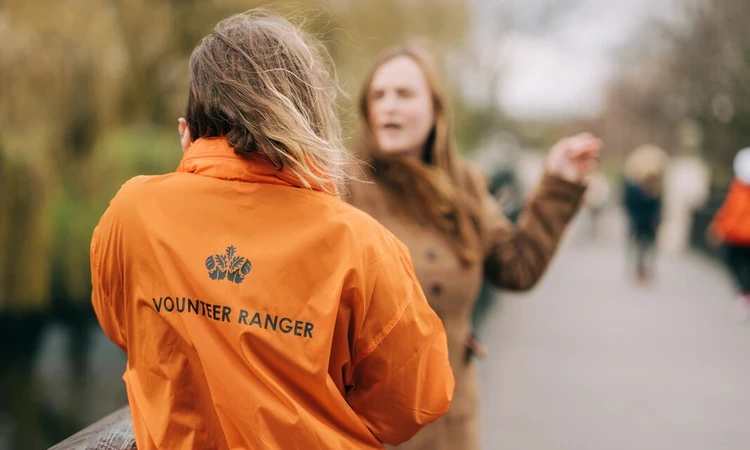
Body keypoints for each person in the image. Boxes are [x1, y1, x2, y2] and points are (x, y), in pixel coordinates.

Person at [91, 12, 454, 450]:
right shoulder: (363, 244)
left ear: (186, 130)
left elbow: (127, 328)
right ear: (309, 116)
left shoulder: (132, 213)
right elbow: (412, 400)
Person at [345, 45, 602, 450]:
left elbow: (517, 267)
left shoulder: (464, 185)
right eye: (378, 96)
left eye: (404, 94)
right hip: (370, 427)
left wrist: (559, 182)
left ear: (435, 110)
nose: (389, 106)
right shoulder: (344, 187)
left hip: (453, 422)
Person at [708, 148, 750, 320]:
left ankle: (744, 293)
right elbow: (730, 210)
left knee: (736, 264)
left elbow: (733, 212)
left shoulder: (740, 189)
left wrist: (720, 229)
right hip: (737, 236)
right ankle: (744, 293)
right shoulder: (738, 188)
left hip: (739, 236)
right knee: (736, 264)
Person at [622, 144, 668, 284]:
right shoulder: (635, 189)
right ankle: (639, 270)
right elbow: (629, 203)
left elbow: (659, 207)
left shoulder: (656, 190)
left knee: (648, 248)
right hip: (638, 222)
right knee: (638, 248)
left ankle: (647, 270)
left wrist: (657, 220)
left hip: (649, 224)